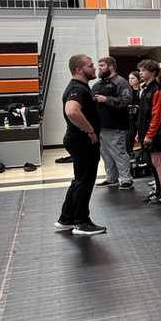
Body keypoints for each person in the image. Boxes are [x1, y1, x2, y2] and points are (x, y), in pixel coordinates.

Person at [54, 54, 106, 236]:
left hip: (79, 140)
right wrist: (90, 130)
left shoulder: (82, 88)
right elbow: (72, 112)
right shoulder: (78, 89)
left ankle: (66, 218)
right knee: (85, 181)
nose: (94, 69)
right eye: (91, 66)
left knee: (80, 180)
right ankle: (82, 222)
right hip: (82, 140)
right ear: (79, 69)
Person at [93, 56, 133, 190]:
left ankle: (126, 179)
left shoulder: (121, 82)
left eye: (102, 65)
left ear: (111, 66)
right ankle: (111, 178)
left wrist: (107, 99)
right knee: (105, 154)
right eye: (99, 66)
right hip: (100, 125)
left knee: (118, 152)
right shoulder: (97, 85)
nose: (100, 68)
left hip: (115, 124)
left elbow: (126, 100)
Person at [135, 60, 161, 203]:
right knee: (151, 162)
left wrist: (150, 134)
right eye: (140, 70)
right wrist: (140, 132)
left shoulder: (156, 90)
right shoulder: (146, 89)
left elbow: (156, 115)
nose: (140, 73)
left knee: (158, 161)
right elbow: (142, 113)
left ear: (153, 73)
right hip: (145, 131)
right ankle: (157, 190)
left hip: (154, 132)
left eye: (144, 70)